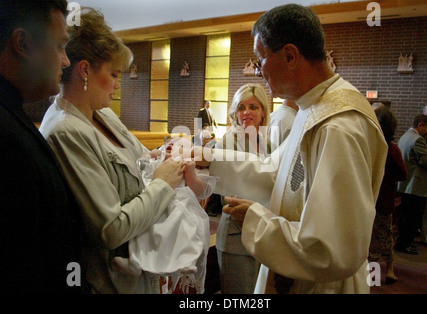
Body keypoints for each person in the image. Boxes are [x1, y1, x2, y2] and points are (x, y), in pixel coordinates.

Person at [211, 4, 387, 294]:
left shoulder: (338, 125)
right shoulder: (313, 106)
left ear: (290, 55)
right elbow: (276, 172)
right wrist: (209, 161)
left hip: (321, 284)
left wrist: (255, 219)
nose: (258, 72)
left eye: (260, 60)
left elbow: (331, 249)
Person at [39, 7, 185, 294]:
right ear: (85, 70)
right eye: (114, 74)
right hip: (108, 280)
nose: (119, 85)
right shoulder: (65, 130)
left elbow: (143, 158)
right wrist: (162, 184)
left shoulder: (103, 115)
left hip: (140, 271)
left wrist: (170, 151)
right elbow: (111, 229)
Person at [0, 0, 82, 294]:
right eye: (60, 46)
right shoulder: (7, 138)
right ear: (22, 43)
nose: (65, 61)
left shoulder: (13, 116)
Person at [111, 137, 217, 294]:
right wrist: (148, 156)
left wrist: (190, 174)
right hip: (153, 206)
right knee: (141, 236)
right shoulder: (156, 163)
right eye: (169, 144)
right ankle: (134, 263)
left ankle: (186, 260)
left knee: (187, 232)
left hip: (179, 210)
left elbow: (201, 191)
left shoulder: (187, 168)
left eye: (181, 146)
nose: (173, 145)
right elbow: (138, 167)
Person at [214, 83, 271, 294]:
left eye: (253, 107)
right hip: (236, 236)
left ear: (263, 112)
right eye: (241, 107)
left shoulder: (271, 143)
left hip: (266, 236)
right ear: (235, 113)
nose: (246, 112)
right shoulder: (228, 142)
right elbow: (227, 195)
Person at [369, 105, 407, 285]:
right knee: (386, 235)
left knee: (369, 238)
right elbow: (403, 174)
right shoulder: (392, 149)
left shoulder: (369, 146)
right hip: (385, 199)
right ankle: (389, 271)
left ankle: (372, 277)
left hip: (369, 198)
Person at [395, 114, 427, 255]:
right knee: (412, 217)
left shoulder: (405, 136)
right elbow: (424, 161)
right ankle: (405, 243)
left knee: (405, 216)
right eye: (426, 127)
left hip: (406, 183)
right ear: (420, 125)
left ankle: (403, 242)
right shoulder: (418, 139)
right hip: (415, 184)